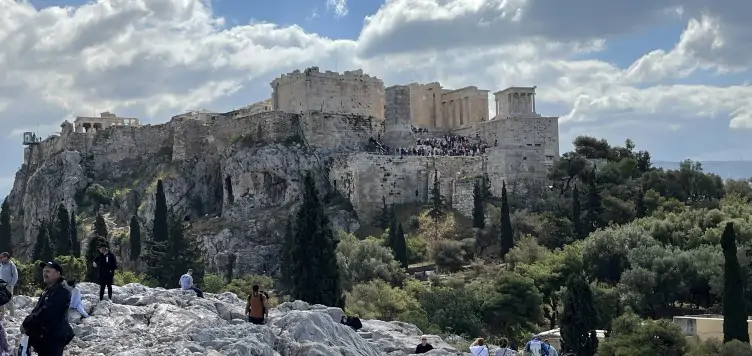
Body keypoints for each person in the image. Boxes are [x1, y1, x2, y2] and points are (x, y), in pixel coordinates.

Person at [21, 261, 74, 356]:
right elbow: (38, 308)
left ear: (58, 273)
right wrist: (27, 324)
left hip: (54, 336)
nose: (44, 274)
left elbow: (47, 312)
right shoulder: (50, 288)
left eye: (48, 271)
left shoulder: (62, 290)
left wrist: (27, 322)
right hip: (45, 336)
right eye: (44, 271)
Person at [0, 252, 17, 320]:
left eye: (1, 257)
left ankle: (12, 316)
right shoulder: (1, 265)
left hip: (8, 286)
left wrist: (11, 284)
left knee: (10, 301)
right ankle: (2, 316)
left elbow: (15, 276)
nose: (0, 259)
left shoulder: (11, 265)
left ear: (6, 257)